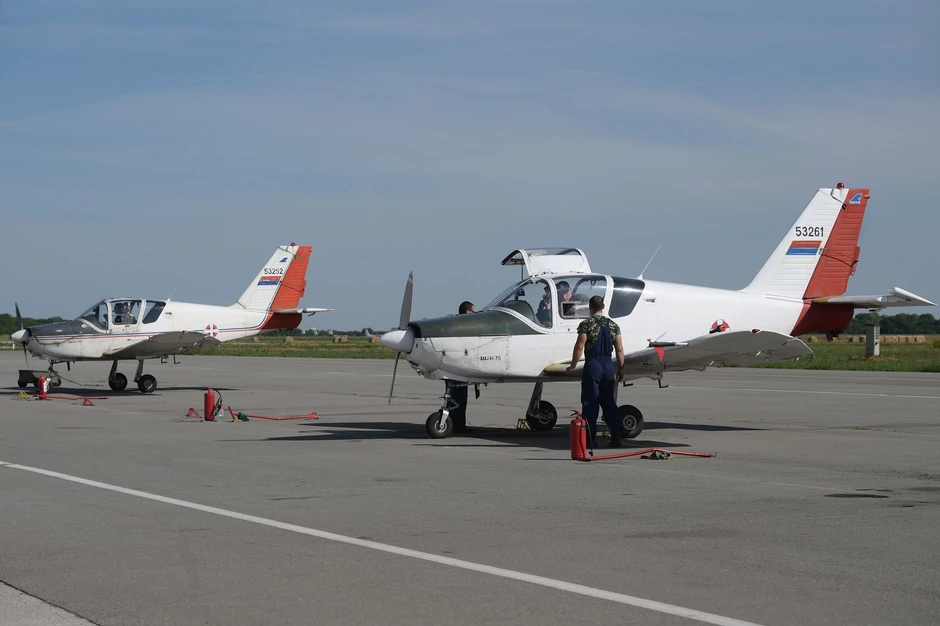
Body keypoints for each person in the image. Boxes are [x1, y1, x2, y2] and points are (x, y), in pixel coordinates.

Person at [565, 296, 625, 448]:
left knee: (590, 403)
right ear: (603, 306)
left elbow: (580, 346)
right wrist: (621, 368)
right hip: (608, 366)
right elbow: (619, 348)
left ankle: (591, 438)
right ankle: (616, 436)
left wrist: (572, 366)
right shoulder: (613, 325)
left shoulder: (586, 324)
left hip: (593, 365)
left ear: (590, 307)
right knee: (609, 403)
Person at [449, 301, 475, 433]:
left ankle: (455, 423)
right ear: (467, 311)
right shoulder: (465, 327)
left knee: (454, 398)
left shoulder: (455, 324)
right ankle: (458, 426)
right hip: (460, 368)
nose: (474, 314)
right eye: (472, 311)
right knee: (459, 399)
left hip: (453, 368)